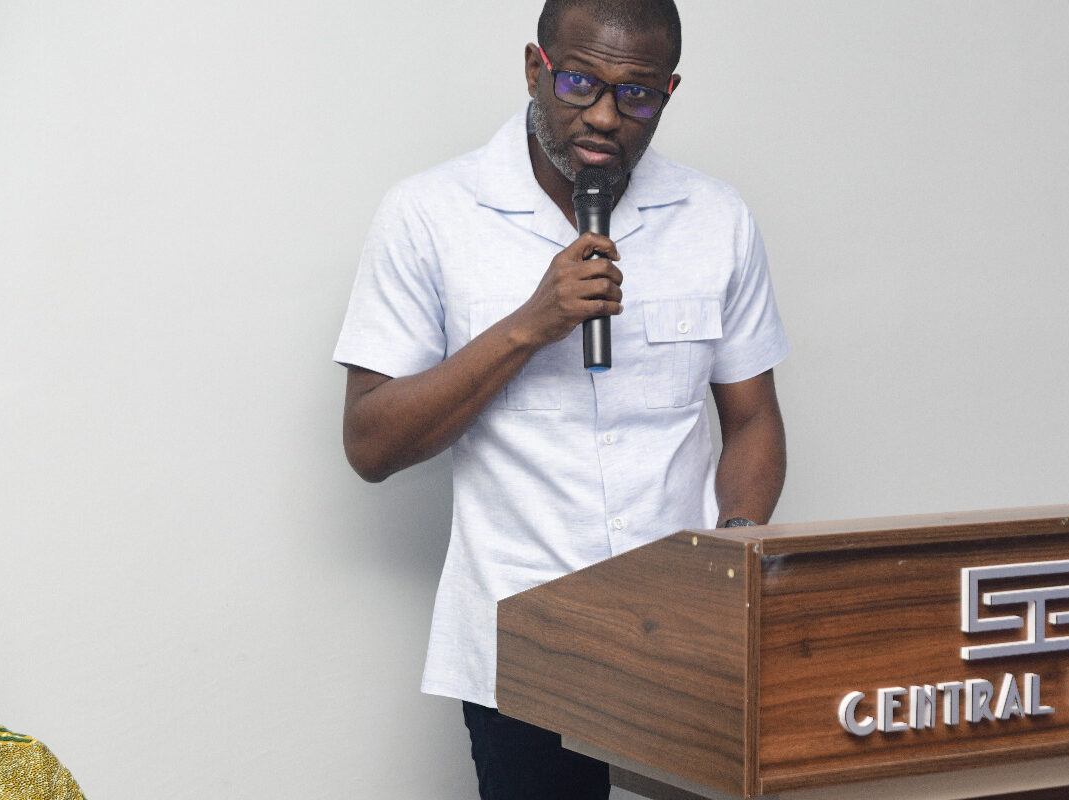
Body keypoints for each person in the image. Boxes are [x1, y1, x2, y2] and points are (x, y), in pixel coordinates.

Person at [332, 0, 787, 797]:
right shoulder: (431, 214)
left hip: (684, 627)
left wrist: (738, 552)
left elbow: (752, 420)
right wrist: (528, 326)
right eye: (580, 83)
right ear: (534, 69)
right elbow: (371, 444)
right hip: (522, 636)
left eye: (637, 94)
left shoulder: (717, 218)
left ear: (669, 93)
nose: (606, 116)